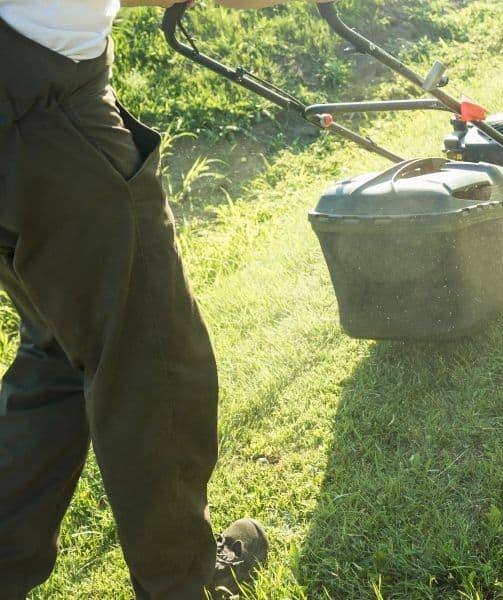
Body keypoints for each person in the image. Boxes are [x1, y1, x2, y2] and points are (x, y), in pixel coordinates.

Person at [0, 0, 331, 598]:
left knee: (55, 354)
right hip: (46, 115)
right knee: (154, 363)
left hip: (20, 116)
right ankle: (184, 583)